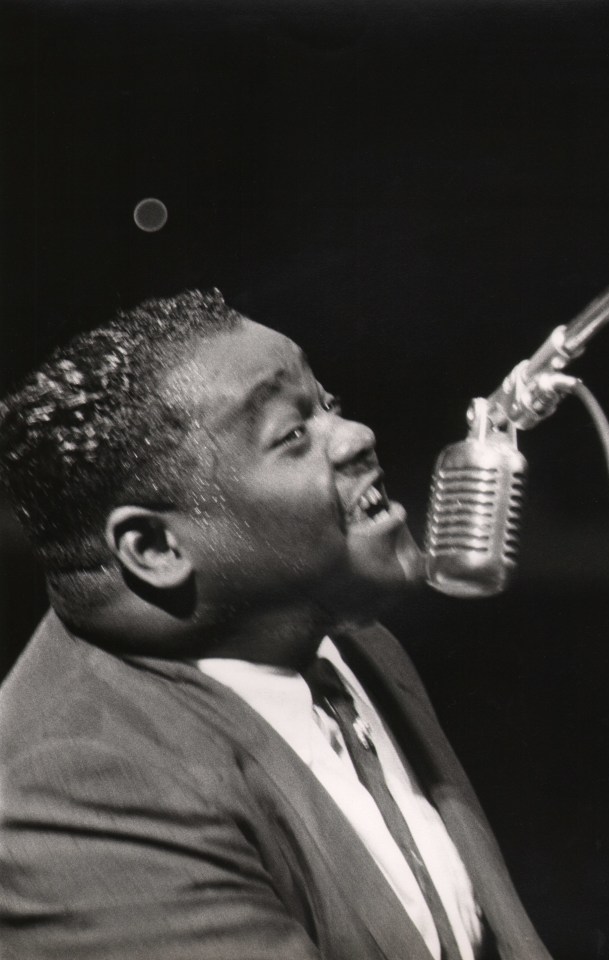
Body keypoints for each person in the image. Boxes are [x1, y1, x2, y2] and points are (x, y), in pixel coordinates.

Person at [0, 289, 552, 960]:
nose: (355, 437)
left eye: (328, 405)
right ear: (155, 549)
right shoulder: (77, 795)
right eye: (293, 435)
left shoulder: (343, 640)